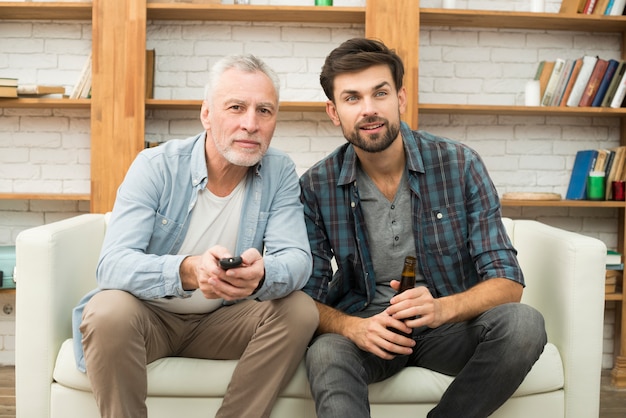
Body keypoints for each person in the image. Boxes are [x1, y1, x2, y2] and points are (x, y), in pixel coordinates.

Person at [299, 37, 547, 418]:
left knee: (525, 325)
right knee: (326, 350)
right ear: (334, 112)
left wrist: (441, 309)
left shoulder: (459, 164)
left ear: (399, 98)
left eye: (379, 93)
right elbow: (306, 297)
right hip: (369, 329)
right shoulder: (316, 185)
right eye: (352, 98)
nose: (369, 109)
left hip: (447, 327)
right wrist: (352, 327)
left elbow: (508, 282)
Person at [71, 54, 319, 418]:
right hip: (148, 319)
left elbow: (297, 258)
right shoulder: (155, 166)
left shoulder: (279, 170)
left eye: (264, 111)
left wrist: (262, 274)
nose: (250, 124)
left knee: (299, 309)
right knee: (106, 310)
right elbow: (112, 266)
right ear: (206, 114)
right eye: (236, 107)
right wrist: (189, 270)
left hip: (223, 322)